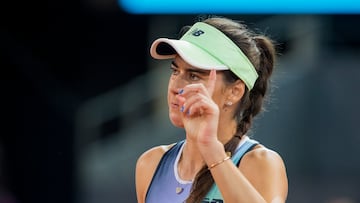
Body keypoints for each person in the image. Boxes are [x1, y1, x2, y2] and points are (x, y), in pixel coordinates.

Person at [135, 16, 288, 203]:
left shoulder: (261, 162)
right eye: (175, 71)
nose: (175, 86)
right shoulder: (151, 163)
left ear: (234, 92)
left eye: (193, 75)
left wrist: (211, 148)